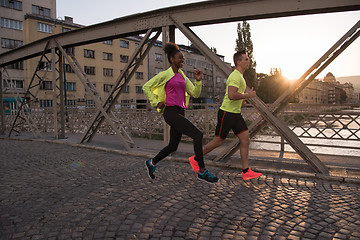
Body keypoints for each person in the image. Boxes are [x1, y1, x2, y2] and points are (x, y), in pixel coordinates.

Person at [142, 42, 218, 183]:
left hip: (180, 112)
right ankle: (202, 171)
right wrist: (156, 102)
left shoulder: (182, 76)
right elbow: (146, 86)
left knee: (173, 146)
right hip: (170, 112)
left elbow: (195, 93)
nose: (182, 60)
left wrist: (198, 81)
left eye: (183, 58)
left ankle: (151, 163)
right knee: (198, 135)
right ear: (172, 59)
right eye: (180, 58)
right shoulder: (165, 74)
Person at [189, 50, 262, 181]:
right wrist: (248, 95)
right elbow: (231, 95)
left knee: (245, 140)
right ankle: (196, 158)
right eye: (246, 59)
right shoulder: (235, 76)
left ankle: (246, 171)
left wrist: (243, 101)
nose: (248, 61)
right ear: (238, 62)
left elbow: (236, 96)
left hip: (235, 113)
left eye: (248, 59)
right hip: (227, 113)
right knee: (218, 141)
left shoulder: (240, 77)